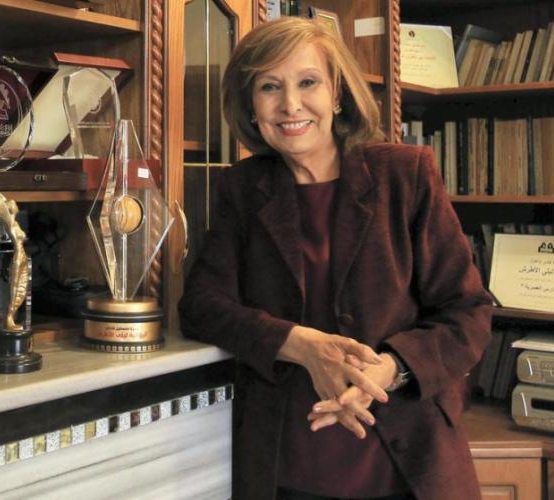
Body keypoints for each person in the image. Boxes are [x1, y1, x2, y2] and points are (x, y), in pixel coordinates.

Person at [178, 16, 492, 500]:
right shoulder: (240, 189)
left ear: (338, 94)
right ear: (250, 105)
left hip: (408, 468)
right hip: (286, 470)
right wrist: (301, 345)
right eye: (269, 87)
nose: (290, 105)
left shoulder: (405, 175)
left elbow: (468, 311)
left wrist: (390, 368)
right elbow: (201, 306)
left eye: (308, 82)